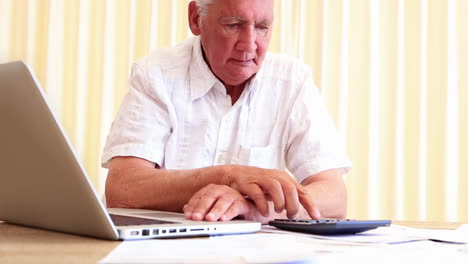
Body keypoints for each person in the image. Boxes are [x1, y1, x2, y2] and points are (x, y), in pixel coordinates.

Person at [101, 0, 351, 224]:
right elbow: (123, 189)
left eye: (262, 27)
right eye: (233, 24)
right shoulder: (156, 75)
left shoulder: (292, 81)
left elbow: (334, 196)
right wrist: (227, 176)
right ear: (196, 19)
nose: (249, 44)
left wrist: (252, 206)